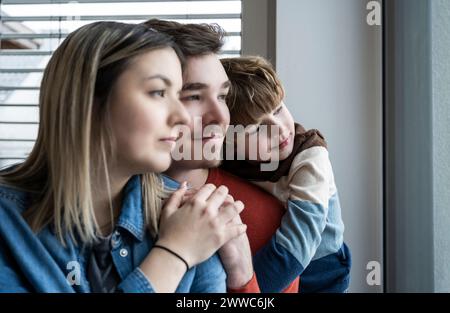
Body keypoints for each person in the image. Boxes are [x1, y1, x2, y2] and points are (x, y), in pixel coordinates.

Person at [0, 21, 247, 293]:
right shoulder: (7, 223)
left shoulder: (191, 216)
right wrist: (174, 254)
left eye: (178, 95)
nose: (181, 118)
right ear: (88, 101)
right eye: (158, 93)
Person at [143, 19, 298, 293]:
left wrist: (242, 276)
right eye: (193, 96)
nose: (220, 116)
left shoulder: (267, 218)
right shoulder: (106, 205)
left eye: (223, 97)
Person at [220, 56, 352, 293]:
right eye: (258, 128)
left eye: (279, 109)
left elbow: (299, 243)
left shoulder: (310, 157)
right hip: (271, 253)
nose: (279, 129)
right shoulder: (226, 158)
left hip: (320, 267)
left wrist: (252, 289)